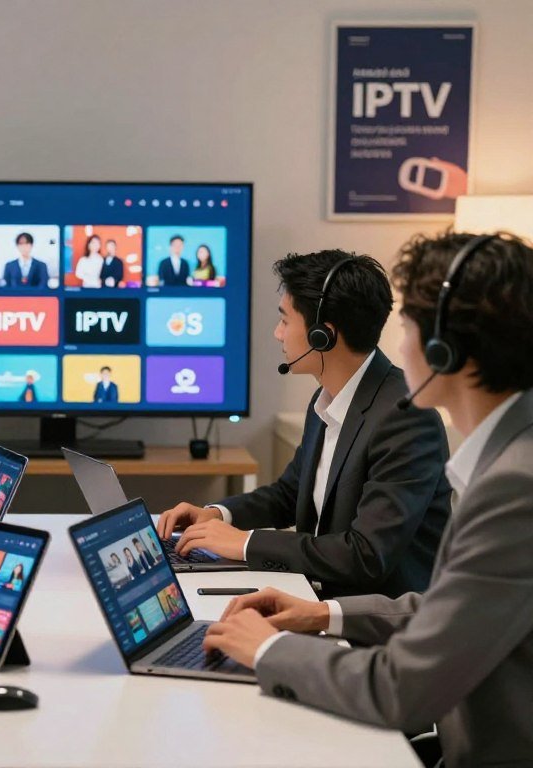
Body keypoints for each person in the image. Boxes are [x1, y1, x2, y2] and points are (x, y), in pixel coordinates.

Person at [202, 231, 533, 768]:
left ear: (444, 349)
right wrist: (321, 615)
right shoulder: (510, 461)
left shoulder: (514, 487)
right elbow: (443, 608)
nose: (399, 347)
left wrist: (268, 650)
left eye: (409, 328)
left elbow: (401, 688)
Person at [159, 250, 451, 598]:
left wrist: (245, 543)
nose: (277, 333)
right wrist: (218, 515)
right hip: (318, 598)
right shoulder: (326, 399)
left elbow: (366, 555)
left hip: (372, 620)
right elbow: (289, 493)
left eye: (285, 320)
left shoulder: (406, 417)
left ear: (322, 336)